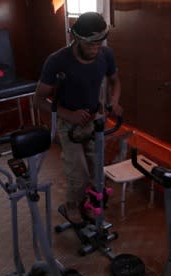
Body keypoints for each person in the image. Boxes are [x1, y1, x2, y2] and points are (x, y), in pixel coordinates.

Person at [34, 12, 122, 222]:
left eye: (99, 43)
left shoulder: (106, 54)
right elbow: (38, 100)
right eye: (89, 44)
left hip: (95, 118)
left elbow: (115, 81)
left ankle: (89, 203)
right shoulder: (57, 61)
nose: (95, 48)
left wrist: (115, 101)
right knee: (78, 174)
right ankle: (72, 205)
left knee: (96, 171)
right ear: (77, 38)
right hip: (68, 123)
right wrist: (69, 115)